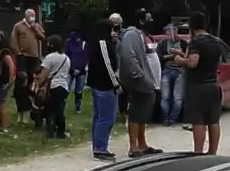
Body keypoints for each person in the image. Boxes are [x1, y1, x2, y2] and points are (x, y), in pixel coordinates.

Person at [174, 11, 222, 154]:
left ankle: (198, 152)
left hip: (198, 86)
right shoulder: (215, 41)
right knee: (213, 120)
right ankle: (213, 152)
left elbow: (193, 62)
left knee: (198, 120)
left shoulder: (196, 41)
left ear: (192, 26)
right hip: (213, 84)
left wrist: (180, 60)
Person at [118, 9, 162, 158]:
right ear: (141, 21)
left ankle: (142, 144)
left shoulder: (145, 36)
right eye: (149, 18)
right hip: (140, 82)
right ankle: (133, 147)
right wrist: (139, 75)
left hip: (149, 83)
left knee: (144, 114)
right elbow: (128, 56)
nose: (152, 21)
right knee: (136, 114)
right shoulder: (132, 34)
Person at [86, 19, 121, 161]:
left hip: (96, 84)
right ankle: (100, 148)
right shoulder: (103, 44)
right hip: (105, 85)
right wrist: (116, 84)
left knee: (98, 116)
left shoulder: (94, 42)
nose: (114, 33)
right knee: (106, 118)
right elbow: (108, 65)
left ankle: (97, 146)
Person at [10, 8, 45, 122]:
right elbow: (13, 42)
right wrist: (18, 54)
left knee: (32, 84)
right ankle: (21, 111)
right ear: (26, 16)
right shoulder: (18, 26)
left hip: (34, 58)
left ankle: (31, 111)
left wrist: (35, 29)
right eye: (30, 15)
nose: (32, 17)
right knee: (21, 84)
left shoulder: (36, 26)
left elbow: (42, 37)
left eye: (34, 15)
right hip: (22, 57)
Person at [36, 35, 70, 139]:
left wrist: (38, 85)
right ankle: (61, 131)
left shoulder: (50, 57)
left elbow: (44, 73)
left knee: (50, 109)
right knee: (59, 109)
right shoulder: (66, 58)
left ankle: (51, 131)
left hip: (52, 86)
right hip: (63, 86)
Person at [157, 24, 188, 125]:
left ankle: (173, 118)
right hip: (166, 71)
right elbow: (159, 57)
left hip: (180, 72)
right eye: (168, 31)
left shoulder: (183, 43)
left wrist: (180, 54)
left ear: (176, 31)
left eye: (173, 30)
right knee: (165, 96)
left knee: (177, 97)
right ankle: (166, 118)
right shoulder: (162, 44)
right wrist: (172, 55)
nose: (171, 33)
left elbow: (187, 57)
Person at [65, 31, 87, 113]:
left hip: (81, 70)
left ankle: (78, 106)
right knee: (66, 88)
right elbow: (66, 56)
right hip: (70, 70)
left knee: (79, 90)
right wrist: (72, 68)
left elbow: (85, 57)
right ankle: (63, 105)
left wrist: (79, 68)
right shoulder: (68, 43)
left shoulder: (84, 44)